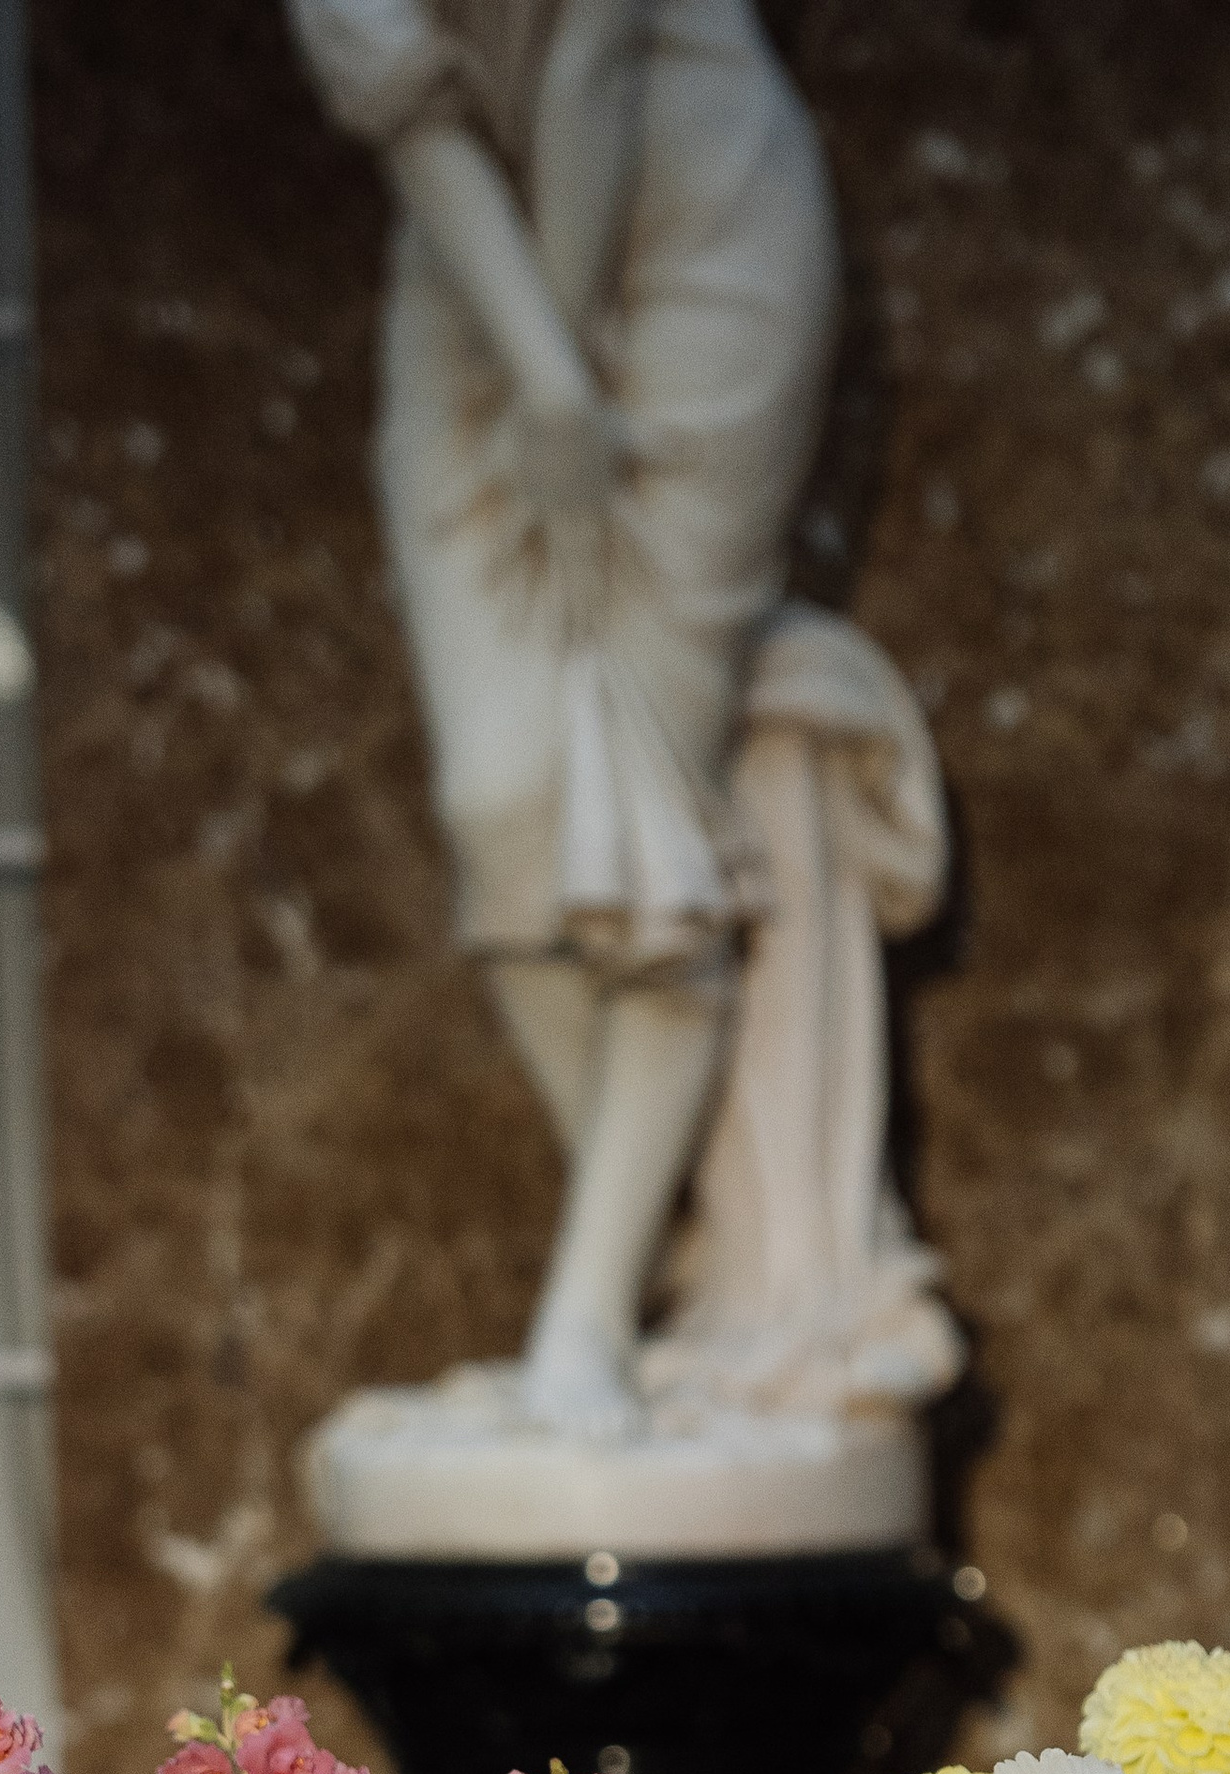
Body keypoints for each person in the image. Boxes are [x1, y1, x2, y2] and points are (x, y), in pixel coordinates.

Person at [291, 0, 841, 1434]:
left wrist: (578, 380)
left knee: (642, 795)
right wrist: (542, 377)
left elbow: (597, 51)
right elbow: (412, 113)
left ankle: (589, 1316)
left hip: (687, 206)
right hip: (479, 266)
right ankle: (688, 1248)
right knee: (499, 795)